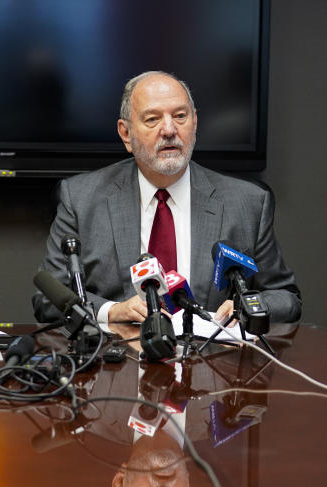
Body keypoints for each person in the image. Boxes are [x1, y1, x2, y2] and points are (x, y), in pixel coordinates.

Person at [32, 70, 301, 325]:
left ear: (195, 123)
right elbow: (48, 298)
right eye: (152, 119)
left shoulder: (248, 203)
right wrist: (112, 311)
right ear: (126, 133)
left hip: (212, 362)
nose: (170, 129)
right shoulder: (81, 198)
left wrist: (247, 305)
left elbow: (286, 299)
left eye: (180, 116)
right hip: (116, 364)